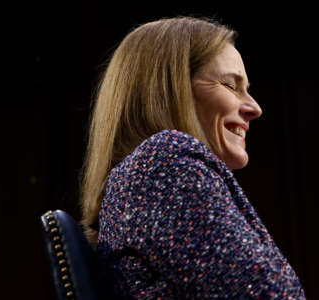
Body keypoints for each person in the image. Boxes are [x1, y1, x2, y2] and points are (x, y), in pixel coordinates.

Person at [80, 16, 306, 299]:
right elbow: (268, 293)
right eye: (230, 85)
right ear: (170, 91)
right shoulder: (162, 165)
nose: (254, 107)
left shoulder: (148, 174)